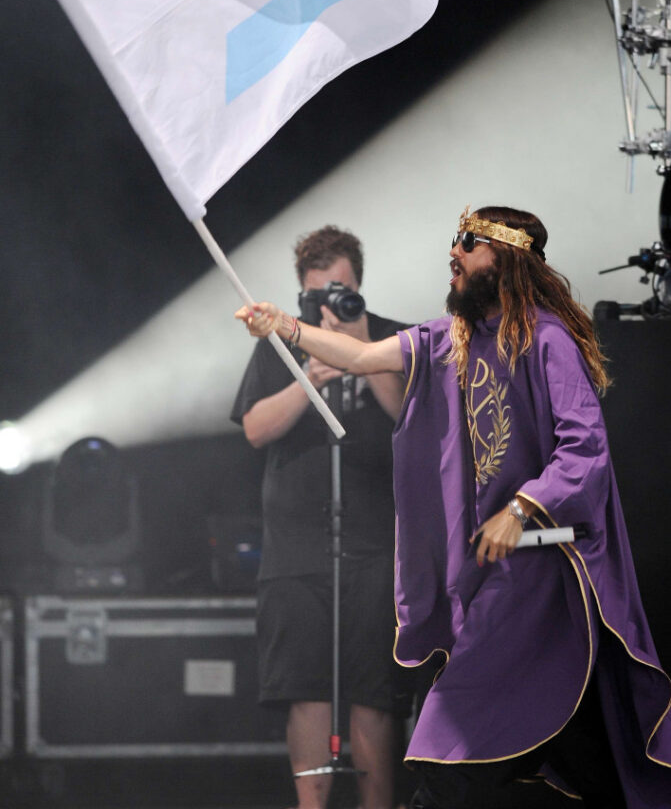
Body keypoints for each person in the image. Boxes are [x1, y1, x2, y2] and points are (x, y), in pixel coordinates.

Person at [235, 205, 671, 809]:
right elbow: (361, 357)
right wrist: (285, 326)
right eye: (455, 240)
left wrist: (520, 510)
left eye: (469, 242)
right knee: (580, 743)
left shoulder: (547, 339)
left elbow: (585, 447)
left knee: (457, 729)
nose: (454, 252)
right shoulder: (452, 338)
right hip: (492, 575)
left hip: (543, 577)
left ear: (505, 258)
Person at [231, 226, 408, 809]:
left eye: (342, 290)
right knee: (304, 691)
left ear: (358, 284)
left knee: (374, 695)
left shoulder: (391, 337)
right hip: (298, 545)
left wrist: (361, 350)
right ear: (303, 292)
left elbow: (412, 416)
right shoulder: (280, 341)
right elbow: (255, 429)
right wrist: (311, 374)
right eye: (319, 294)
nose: (331, 302)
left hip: (375, 541)